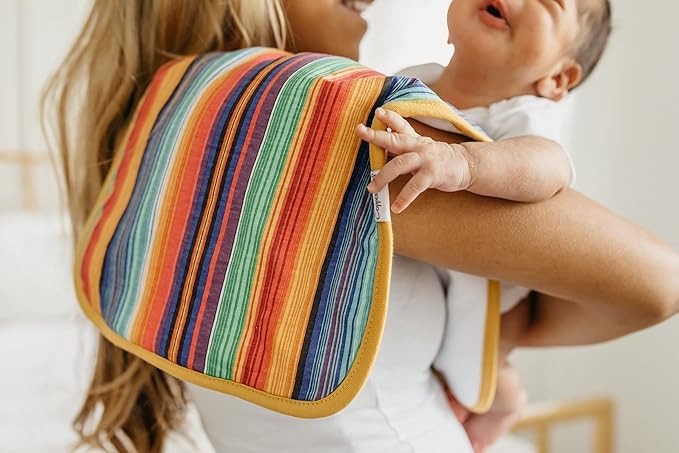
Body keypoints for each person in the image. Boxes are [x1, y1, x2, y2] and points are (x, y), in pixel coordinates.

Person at [41, 1, 679, 452]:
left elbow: (544, 168)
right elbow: (660, 284)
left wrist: (496, 332)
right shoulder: (340, 115)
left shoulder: (173, 113)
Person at [356, 0, 611, 449]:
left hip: (496, 291)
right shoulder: (413, 80)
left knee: (487, 372)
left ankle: (505, 406)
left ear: (557, 78)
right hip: (423, 269)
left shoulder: (525, 115)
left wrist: (463, 162)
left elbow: (549, 167)